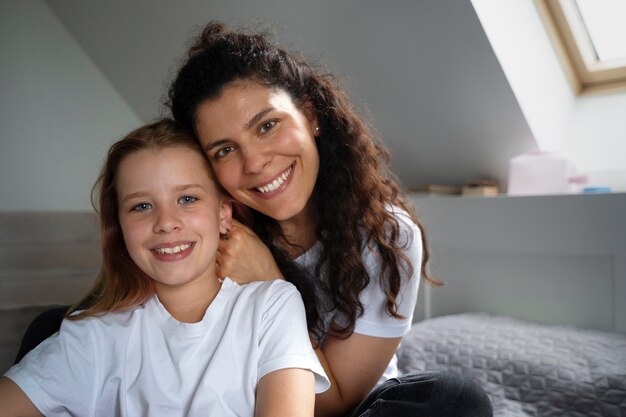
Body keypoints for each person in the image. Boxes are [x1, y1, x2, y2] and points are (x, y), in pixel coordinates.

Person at [168, 22, 493, 417]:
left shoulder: (387, 237)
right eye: (224, 150)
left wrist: (268, 281)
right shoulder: (205, 234)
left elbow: (336, 401)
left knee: (455, 399)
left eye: (267, 126)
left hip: (352, 410)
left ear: (310, 115)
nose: (255, 163)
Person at [0, 119, 329, 417]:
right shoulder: (93, 338)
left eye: (187, 199)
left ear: (223, 214)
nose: (166, 222)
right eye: (141, 206)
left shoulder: (272, 307)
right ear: (120, 227)